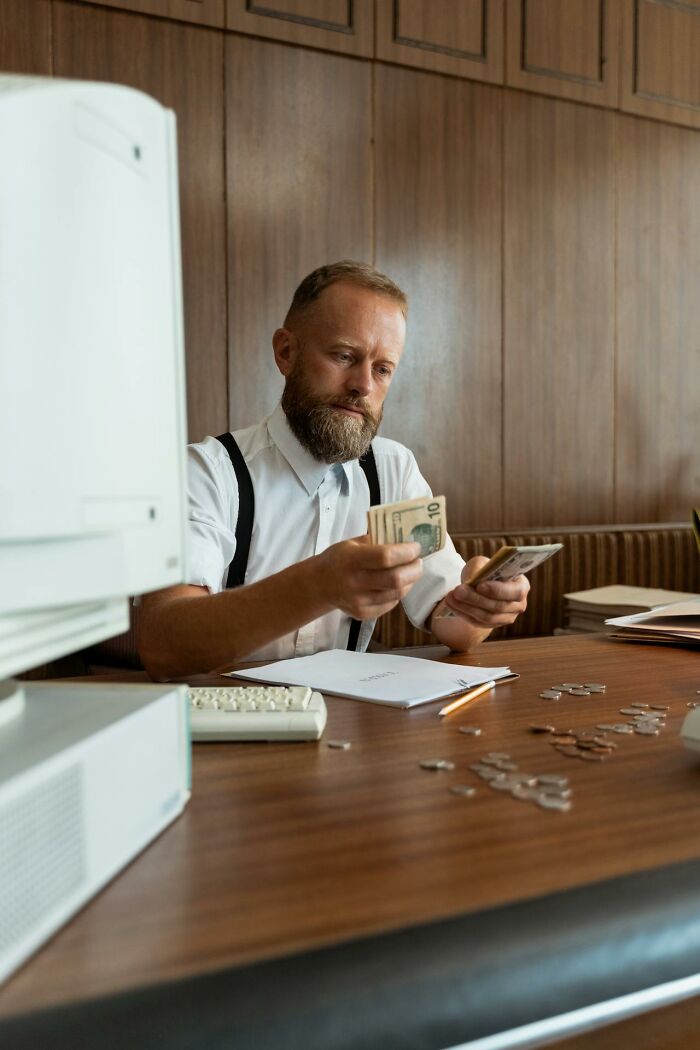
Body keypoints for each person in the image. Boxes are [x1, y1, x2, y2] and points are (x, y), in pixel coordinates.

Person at [139, 262, 529, 680]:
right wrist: (316, 585)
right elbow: (165, 645)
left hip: (349, 727)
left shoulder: (393, 470)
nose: (363, 385)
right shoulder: (207, 472)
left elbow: (453, 623)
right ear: (286, 352)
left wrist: (482, 607)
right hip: (228, 730)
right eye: (345, 356)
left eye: (382, 369)